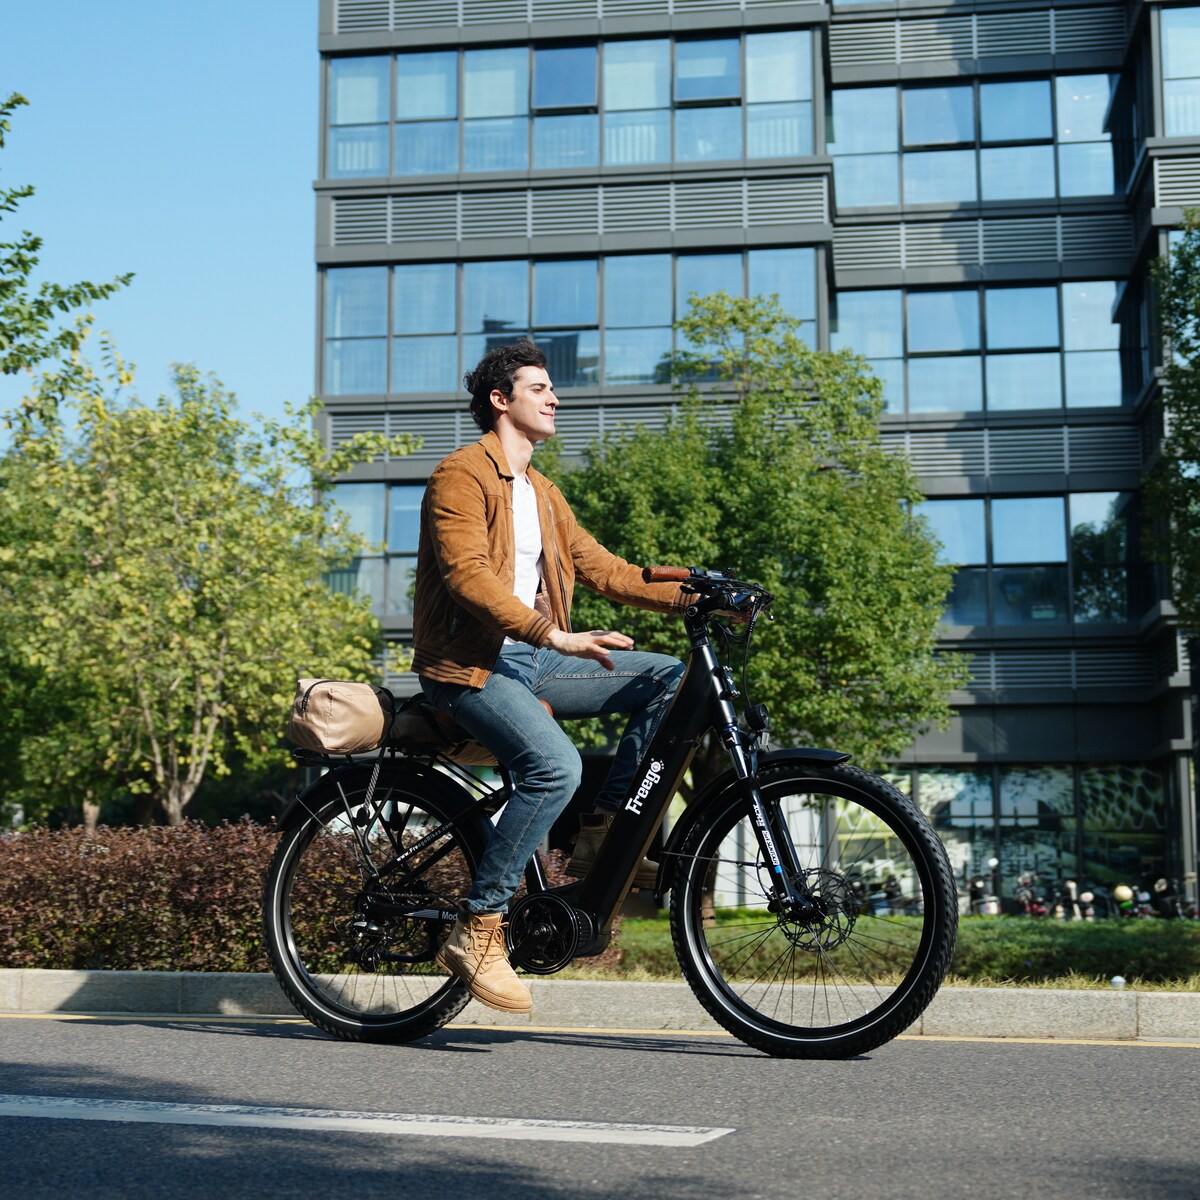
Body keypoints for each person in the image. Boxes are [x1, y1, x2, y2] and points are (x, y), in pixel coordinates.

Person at [412, 338, 687, 1014]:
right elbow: (467, 574)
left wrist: (698, 594)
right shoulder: (460, 475)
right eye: (540, 388)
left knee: (671, 680)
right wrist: (553, 632)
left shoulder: (542, 491)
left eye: (551, 388)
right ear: (501, 401)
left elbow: (606, 570)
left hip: (531, 659)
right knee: (555, 768)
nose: (555, 397)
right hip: (468, 666)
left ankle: (606, 833)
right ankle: (478, 927)